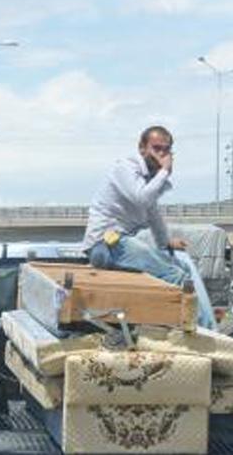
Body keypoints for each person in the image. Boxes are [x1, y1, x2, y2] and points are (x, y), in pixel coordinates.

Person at [82, 126, 211, 327]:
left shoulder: (148, 179)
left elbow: (153, 214)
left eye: (166, 150)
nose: (161, 154)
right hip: (106, 243)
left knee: (183, 267)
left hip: (121, 242)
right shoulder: (125, 168)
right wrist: (165, 171)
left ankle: (187, 324)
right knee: (174, 275)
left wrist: (165, 242)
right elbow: (142, 199)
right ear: (142, 148)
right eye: (156, 148)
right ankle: (205, 330)